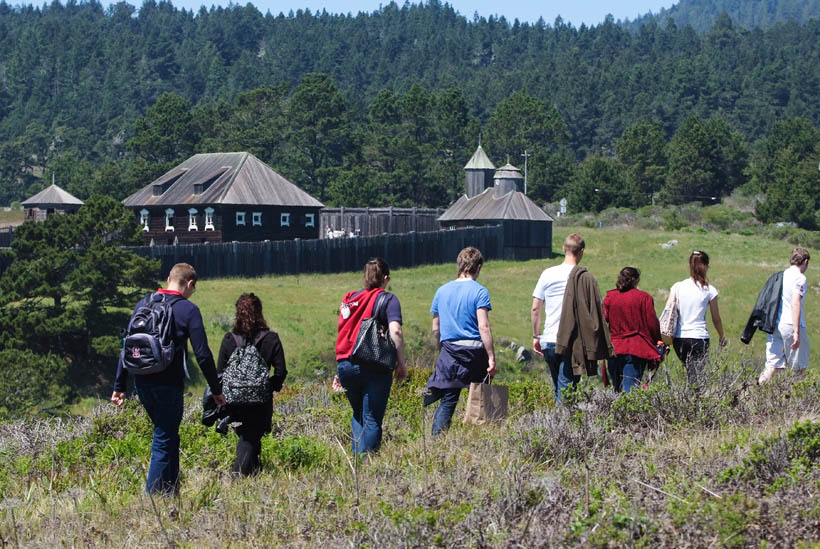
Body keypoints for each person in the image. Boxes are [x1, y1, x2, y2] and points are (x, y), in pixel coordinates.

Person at [111, 263, 226, 495]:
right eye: (194, 289)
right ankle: (152, 500)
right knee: (164, 438)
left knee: (169, 434)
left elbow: (127, 346)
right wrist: (216, 389)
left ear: (168, 279)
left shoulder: (143, 303)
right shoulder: (188, 310)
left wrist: (119, 386)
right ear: (190, 284)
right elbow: (203, 355)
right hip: (168, 384)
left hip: (141, 381)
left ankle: (171, 494)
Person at [334, 258, 406, 455]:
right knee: (372, 418)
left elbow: (345, 332)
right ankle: (370, 465)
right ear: (385, 278)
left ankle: (357, 462)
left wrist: (340, 369)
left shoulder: (349, 299)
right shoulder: (388, 299)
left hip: (345, 365)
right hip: (373, 364)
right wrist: (401, 363)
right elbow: (396, 331)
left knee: (358, 414)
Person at [425, 247, 496, 435]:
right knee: (483, 394)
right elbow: (484, 327)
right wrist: (491, 357)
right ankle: (483, 435)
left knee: (448, 399)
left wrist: (441, 348)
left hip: (450, 350)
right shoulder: (480, 291)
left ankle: (437, 441)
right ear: (478, 267)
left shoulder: (442, 291)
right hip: (475, 350)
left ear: (460, 265)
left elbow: (435, 327)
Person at [217, 293, 287, 475]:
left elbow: (221, 372)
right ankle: (238, 477)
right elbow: (280, 372)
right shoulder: (271, 338)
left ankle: (254, 474)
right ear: (259, 313)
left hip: (234, 401)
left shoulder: (229, 339)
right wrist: (268, 387)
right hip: (260, 403)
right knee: (251, 437)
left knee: (248, 435)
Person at [531, 233, 584, 404]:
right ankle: (560, 428)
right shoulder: (583, 276)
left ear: (563, 249)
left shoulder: (547, 274)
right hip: (571, 342)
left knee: (558, 387)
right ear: (581, 252)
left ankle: (556, 425)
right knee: (566, 390)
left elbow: (535, 307)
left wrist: (536, 336)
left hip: (548, 339)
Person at [669, 251, 726, 385]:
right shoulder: (709, 290)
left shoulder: (677, 287)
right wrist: (721, 335)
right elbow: (715, 317)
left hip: (679, 337)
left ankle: (689, 399)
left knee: (690, 371)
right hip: (699, 337)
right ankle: (693, 402)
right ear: (705, 266)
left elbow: (669, 311)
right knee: (696, 375)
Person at [603, 267, 662, 393]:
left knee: (617, 390)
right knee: (630, 390)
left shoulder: (610, 297)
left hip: (614, 348)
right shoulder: (644, 298)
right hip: (635, 349)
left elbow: (603, 321)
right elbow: (652, 324)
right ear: (636, 280)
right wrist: (659, 342)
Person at [759, 248, 811, 384]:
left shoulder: (780, 275)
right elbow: (796, 302)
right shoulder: (800, 278)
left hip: (775, 324)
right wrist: (797, 331)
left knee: (772, 365)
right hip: (791, 324)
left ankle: (755, 390)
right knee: (799, 368)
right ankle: (797, 400)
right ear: (805, 262)